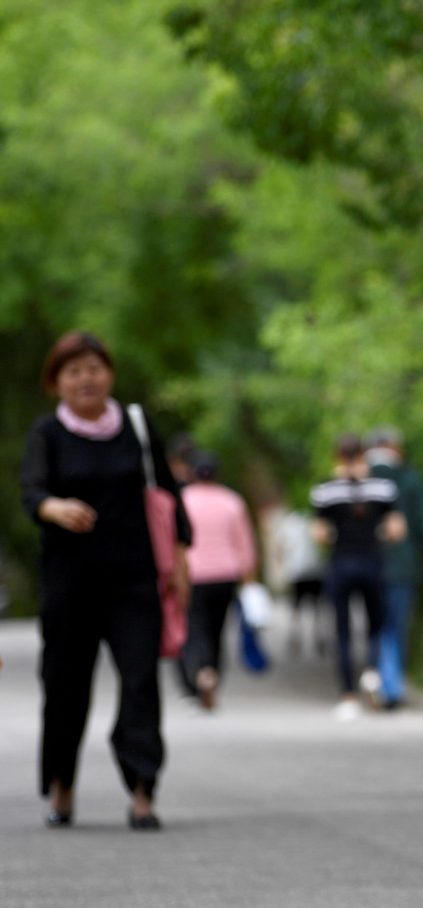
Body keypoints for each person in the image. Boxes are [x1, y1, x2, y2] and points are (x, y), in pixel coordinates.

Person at [19, 331, 192, 830]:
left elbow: (168, 494)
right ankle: (62, 784)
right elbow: (31, 491)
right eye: (73, 372)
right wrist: (54, 506)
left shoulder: (135, 428)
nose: (86, 379)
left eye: (94, 368)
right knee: (65, 686)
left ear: (110, 374)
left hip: (134, 583)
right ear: (57, 383)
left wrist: (179, 562)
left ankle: (142, 790)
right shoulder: (46, 435)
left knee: (140, 682)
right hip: (69, 584)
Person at [310, 434, 403, 720]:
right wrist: (378, 535)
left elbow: (319, 534)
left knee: (343, 631)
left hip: (341, 564)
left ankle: (348, 696)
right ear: (363, 454)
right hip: (373, 563)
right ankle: (372, 672)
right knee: (376, 624)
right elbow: (397, 529)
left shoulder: (325, 490)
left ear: (337, 456)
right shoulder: (383, 488)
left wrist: (338, 534)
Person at [365, 427, 423, 709]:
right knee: (395, 627)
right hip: (402, 566)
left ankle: (375, 680)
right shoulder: (410, 479)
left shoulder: (360, 479)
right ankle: (391, 686)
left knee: (374, 626)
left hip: (366, 566)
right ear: (395, 448)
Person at [177, 452, 258, 710]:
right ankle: (214, 672)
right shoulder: (232, 501)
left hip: (193, 574)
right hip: (225, 574)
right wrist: (249, 574)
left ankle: (202, 673)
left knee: (194, 627)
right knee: (217, 629)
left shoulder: (184, 500)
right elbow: (244, 542)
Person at [272, 506, 328, 657]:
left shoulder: (288, 522)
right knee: (316, 606)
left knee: (296, 607)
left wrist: (283, 568)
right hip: (314, 569)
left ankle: (296, 638)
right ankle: (319, 637)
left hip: (296, 570)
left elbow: (279, 547)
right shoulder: (314, 520)